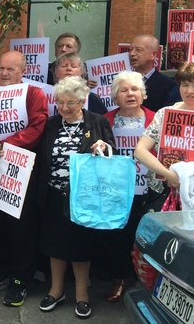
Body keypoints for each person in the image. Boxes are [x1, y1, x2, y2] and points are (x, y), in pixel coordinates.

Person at [35, 76, 115, 319]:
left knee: (81, 246)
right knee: (55, 245)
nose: (65, 108)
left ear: (83, 101)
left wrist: (103, 148)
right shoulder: (50, 124)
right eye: (60, 102)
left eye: (71, 103)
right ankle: (56, 290)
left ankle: (82, 295)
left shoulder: (98, 122)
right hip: (53, 195)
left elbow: (112, 154)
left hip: (83, 198)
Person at [0, 51, 48, 307]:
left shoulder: (33, 94)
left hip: (19, 171)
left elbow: (38, 125)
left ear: (22, 71)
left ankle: (20, 279)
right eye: (1, 68)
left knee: (21, 228)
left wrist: (9, 144)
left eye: (10, 69)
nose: (4, 73)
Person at [101, 71, 154, 303]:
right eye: (124, 90)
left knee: (144, 238)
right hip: (116, 191)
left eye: (134, 89)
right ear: (115, 96)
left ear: (142, 94)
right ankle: (119, 278)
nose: (130, 94)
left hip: (149, 191)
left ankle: (145, 283)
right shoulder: (104, 120)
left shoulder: (157, 118)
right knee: (117, 238)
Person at [135, 62, 194, 210]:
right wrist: (169, 175)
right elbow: (140, 151)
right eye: (184, 85)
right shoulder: (164, 114)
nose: (189, 91)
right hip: (162, 192)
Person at [128, 34, 181, 111]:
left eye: (138, 50)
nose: (132, 53)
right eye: (130, 49)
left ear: (153, 55)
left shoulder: (169, 86)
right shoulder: (122, 80)